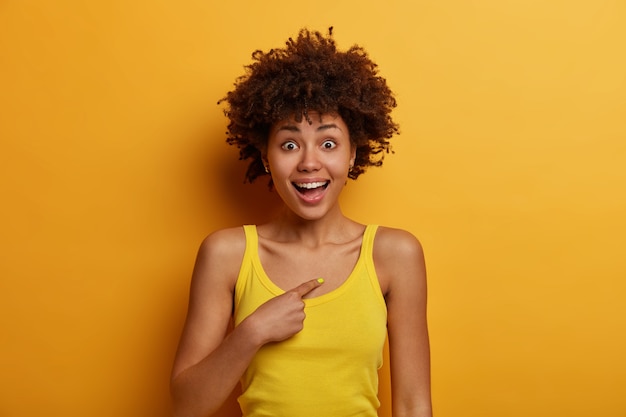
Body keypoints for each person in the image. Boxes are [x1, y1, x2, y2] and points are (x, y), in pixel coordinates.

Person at [170, 28, 432, 417]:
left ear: (352, 154)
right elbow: (186, 408)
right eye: (289, 144)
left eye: (328, 143)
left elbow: (413, 404)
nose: (309, 162)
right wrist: (253, 332)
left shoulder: (394, 255)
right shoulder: (227, 254)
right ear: (265, 157)